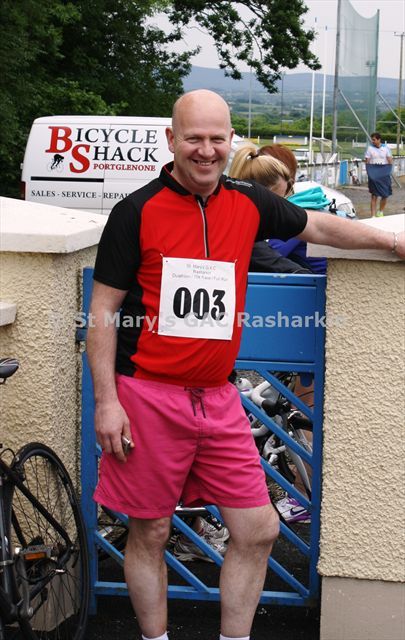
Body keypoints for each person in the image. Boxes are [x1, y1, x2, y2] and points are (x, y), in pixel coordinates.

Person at [87, 89, 404, 640]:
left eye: (217, 138)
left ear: (230, 140)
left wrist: (392, 243)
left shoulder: (248, 201)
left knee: (257, 529)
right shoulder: (135, 211)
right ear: (171, 140)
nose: (206, 150)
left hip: (217, 395)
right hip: (147, 395)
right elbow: (102, 312)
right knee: (151, 532)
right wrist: (107, 402)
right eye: (194, 138)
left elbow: (319, 228)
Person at [364, 132, 393, 218]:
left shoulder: (386, 148)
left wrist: (388, 171)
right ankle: (373, 216)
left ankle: (380, 212)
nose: (372, 141)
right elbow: (367, 161)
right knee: (374, 195)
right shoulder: (370, 148)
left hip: (384, 174)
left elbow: (390, 161)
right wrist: (369, 173)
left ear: (379, 139)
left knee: (385, 194)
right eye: (372, 140)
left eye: (374, 140)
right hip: (374, 175)